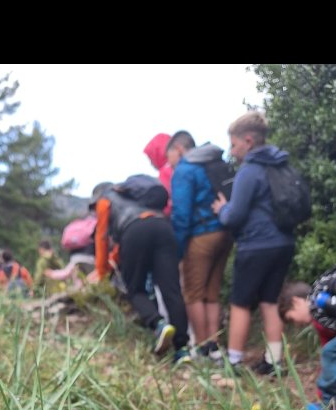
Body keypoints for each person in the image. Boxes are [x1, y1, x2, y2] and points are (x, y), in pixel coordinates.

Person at [212, 112, 295, 374]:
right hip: (283, 242)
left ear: (248, 141)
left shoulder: (250, 170)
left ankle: (233, 362)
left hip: (256, 244)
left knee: (240, 302)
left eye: (234, 144)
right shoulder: (281, 164)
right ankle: (274, 362)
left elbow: (235, 216)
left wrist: (222, 210)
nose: (232, 150)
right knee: (269, 302)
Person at [89, 181, 190, 362]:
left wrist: (102, 271)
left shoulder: (105, 200)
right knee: (171, 290)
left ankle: (159, 324)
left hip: (135, 231)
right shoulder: (132, 194)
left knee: (135, 289)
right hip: (162, 227)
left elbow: (102, 237)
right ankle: (183, 349)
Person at [167, 131, 233, 360]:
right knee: (212, 293)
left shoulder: (185, 169)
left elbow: (181, 214)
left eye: (170, 158)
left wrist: (177, 248)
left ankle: (203, 347)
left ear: (178, 149)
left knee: (193, 293)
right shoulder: (213, 163)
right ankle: (214, 346)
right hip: (224, 232)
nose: (170, 164)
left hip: (201, 235)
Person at [278, 261, 336, 410]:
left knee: (333, 354)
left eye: (291, 319)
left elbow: (328, 353)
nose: (296, 325)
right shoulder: (322, 317)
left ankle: (335, 407)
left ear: (296, 302)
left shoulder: (318, 304)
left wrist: (325, 395)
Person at [143, 133, 172, 215]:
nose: (151, 163)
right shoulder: (178, 166)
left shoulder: (165, 172)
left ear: (158, 153)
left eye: (151, 158)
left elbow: (166, 201)